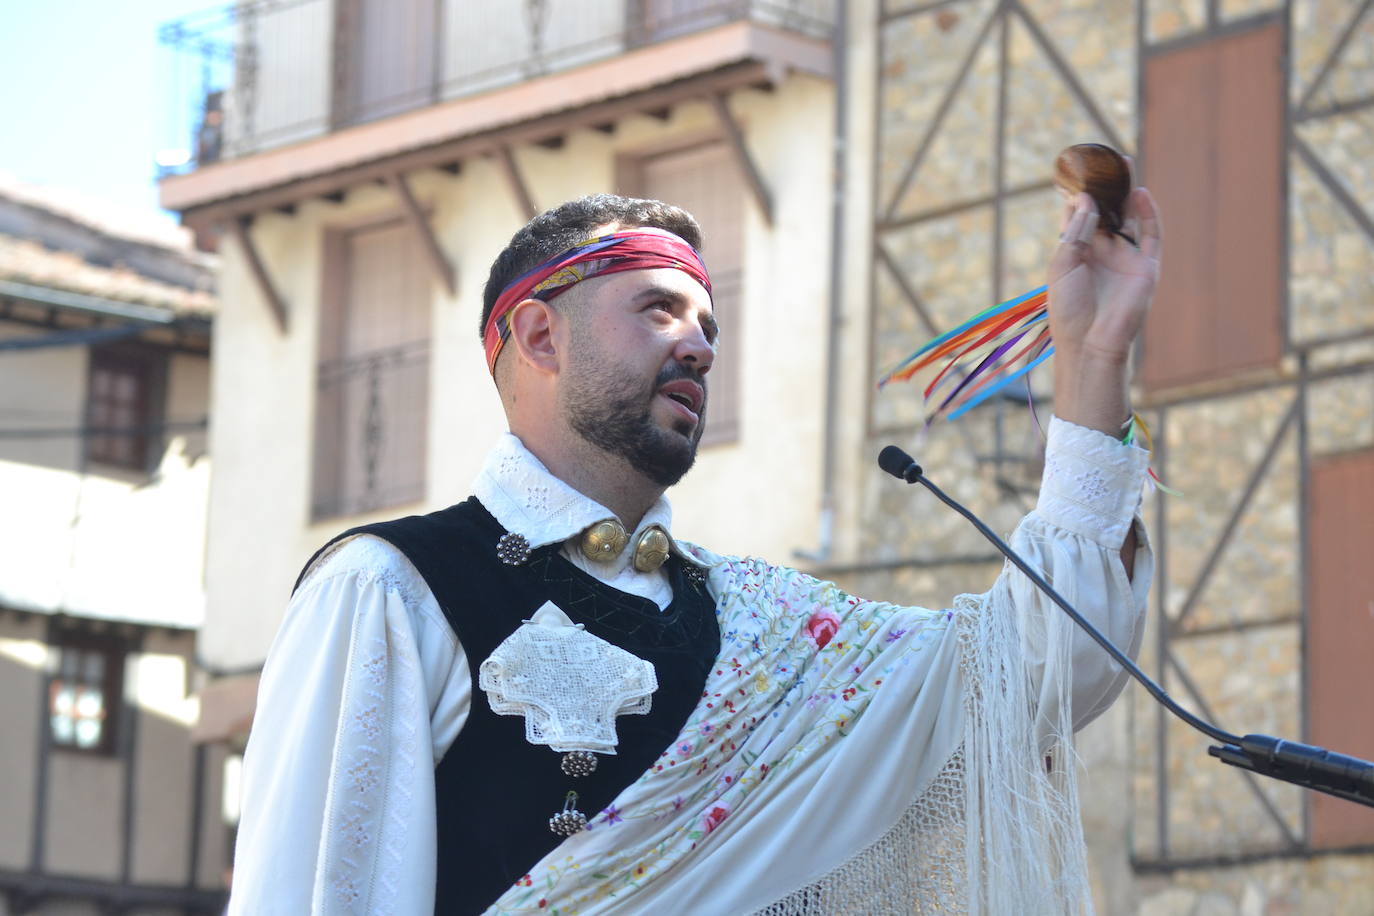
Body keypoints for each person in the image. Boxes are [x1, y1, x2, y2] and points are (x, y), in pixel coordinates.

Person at [229, 189, 1162, 914]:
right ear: (540, 334)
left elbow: (1038, 667)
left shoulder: (764, 630)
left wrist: (1090, 358)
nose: (702, 347)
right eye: (658, 310)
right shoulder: (391, 589)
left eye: (709, 325)